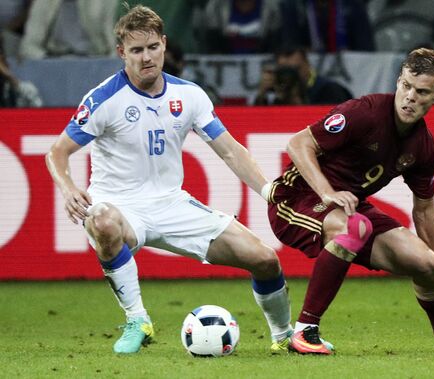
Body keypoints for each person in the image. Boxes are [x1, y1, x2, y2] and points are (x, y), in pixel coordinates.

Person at [45, 5, 293, 354]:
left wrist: (269, 192)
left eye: (152, 48)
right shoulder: (104, 99)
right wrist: (69, 188)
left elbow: (230, 151)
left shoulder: (188, 95)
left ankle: (285, 337)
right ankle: (137, 320)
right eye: (136, 50)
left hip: (172, 204)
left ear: (164, 44)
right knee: (100, 222)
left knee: (265, 259)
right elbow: (56, 152)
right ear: (121, 53)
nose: (146, 58)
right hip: (119, 205)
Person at [265, 48, 434, 354]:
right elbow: (299, 143)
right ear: (398, 82)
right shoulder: (364, 111)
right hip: (296, 200)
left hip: (348, 208)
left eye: (421, 92)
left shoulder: (423, 146)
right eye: (405, 86)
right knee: (357, 226)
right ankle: (305, 332)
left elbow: (425, 208)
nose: (410, 97)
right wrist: (327, 191)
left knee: (425, 263)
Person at [255, 47, 353, 105]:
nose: (291, 77)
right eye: (284, 72)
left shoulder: (329, 90)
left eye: (295, 70)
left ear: (307, 63)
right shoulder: (278, 95)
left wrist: (299, 103)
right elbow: (257, 123)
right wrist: (261, 95)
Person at [20, 0, 117, 59]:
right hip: (54, 61)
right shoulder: (44, 2)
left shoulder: (105, 2)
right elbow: (29, 44)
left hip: (94, 60)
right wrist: (46, 61)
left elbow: (113, 44)